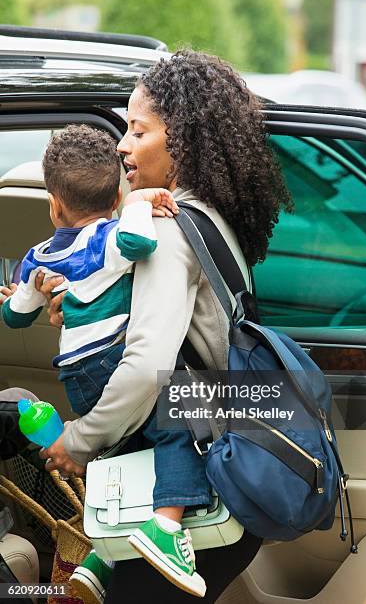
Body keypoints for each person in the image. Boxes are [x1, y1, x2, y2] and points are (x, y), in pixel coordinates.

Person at [5, 49, 292, 602]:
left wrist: (78, 442)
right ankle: (99, 565)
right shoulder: (206, 217)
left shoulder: (164, 232)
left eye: (138, 130)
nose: (121, 144)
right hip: (228, 467)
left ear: (179, 142)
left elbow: (146, 368)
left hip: (187, 494)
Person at [0, 125, 212, 599]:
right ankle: (165, 528)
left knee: (122, 454)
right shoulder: (113, 235)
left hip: (75, 372)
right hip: (113, 360)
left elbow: (15, 317)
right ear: (117, 195)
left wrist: (19, 297)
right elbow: (141, 246)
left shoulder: (37, 258)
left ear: (53, 205)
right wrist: (138, 208)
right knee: (178, 429)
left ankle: (100, 558)